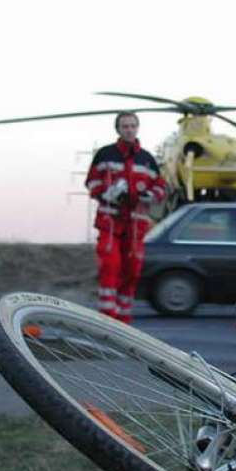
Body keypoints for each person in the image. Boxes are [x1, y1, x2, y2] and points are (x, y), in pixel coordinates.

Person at [85, 112, 166, 323]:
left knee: (132, 272)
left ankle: (123, 320)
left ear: (137, 128)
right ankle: (107, 318)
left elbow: (160, 186)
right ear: (118, 129)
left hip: (136, 225)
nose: (129, 130)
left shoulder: (147, 159)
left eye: (132, 126)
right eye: (125, 126)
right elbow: (92, 182)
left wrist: (150, 195)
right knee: (110, 267)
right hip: (111, 223)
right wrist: (107, 193)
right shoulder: (105, 155)